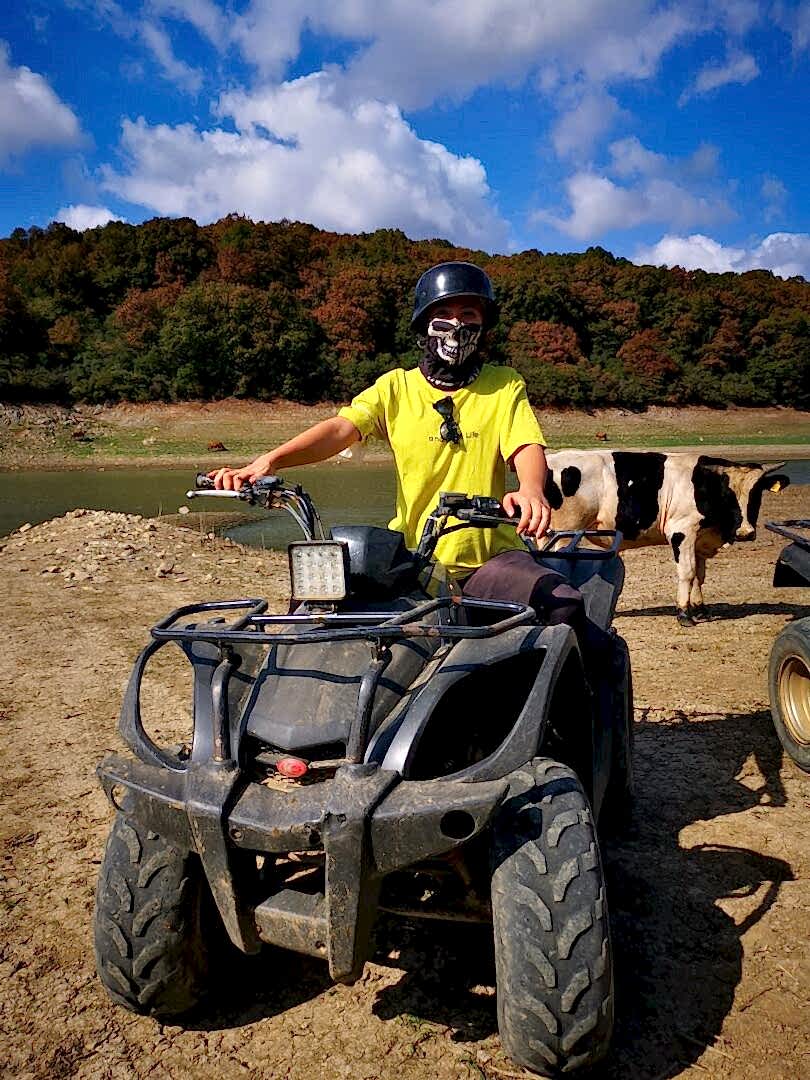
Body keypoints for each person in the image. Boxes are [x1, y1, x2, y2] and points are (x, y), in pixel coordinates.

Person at [211, 261, 586, 637]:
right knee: (317, 610)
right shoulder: (395, 388)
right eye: (442, 314)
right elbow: (342, 428)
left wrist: (531, 490)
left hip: (489, 557)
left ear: (484, 325)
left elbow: (524, 444)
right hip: (413, 559)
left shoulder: (504, 385)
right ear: (423, 325)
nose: (456, 326)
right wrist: (269, 461)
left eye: (468, 314)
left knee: (563, 603)